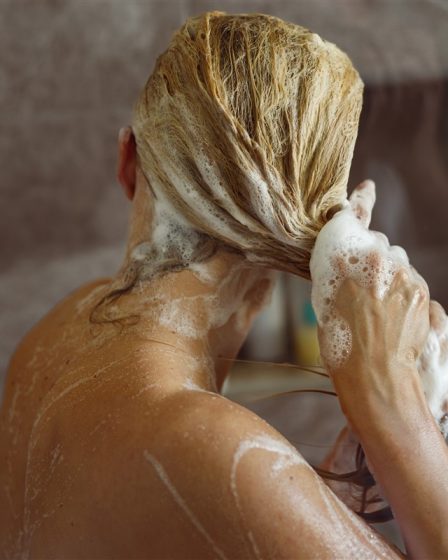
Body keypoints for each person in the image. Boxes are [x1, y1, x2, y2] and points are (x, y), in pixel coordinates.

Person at [1, 10, 447, 559]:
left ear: (127, 162)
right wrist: (395, 403)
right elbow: (228, 493)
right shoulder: (215, 451)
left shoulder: (57, 333)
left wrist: (367, 448)